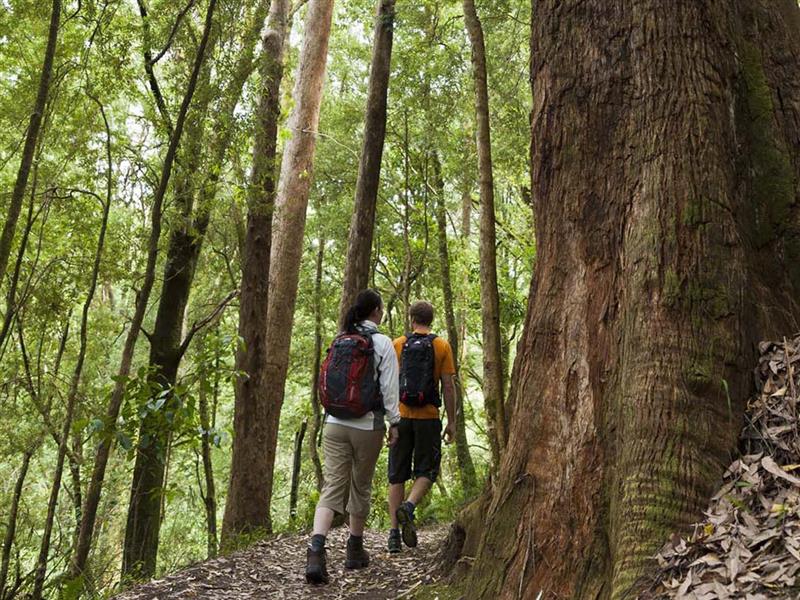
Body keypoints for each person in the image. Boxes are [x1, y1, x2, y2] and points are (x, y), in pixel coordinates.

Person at [305, 289, 400, 585]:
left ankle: (316, 551)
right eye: (381, 309)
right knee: (360, 485)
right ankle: (354, 550)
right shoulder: (382, 343)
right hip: (367, 425)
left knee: (332, 487)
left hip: (333, 423)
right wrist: (394, 422)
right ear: (375, 311)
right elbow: (389, 388)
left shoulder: (340, 339)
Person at [387, 301, 456, 553]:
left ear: (412, 318)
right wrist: (452, 421)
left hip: (401, 418)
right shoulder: (441, 345)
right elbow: (448, 386)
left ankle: (394, 535)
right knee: (427, 470)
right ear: (431, 319)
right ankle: (409, 506)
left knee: (397, 473)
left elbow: (390, 384)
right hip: (429, 418)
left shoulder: (397, 344)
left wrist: (391, 419)